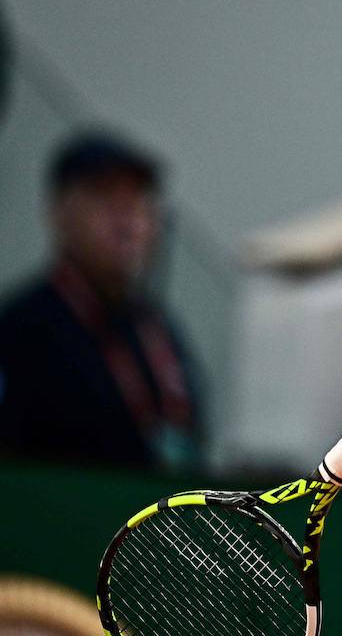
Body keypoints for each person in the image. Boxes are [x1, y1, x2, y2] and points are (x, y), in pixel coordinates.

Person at [0, 132, 200, 470]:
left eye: (138, 201)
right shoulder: (25, 328)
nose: (127, 221)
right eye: (105, 199)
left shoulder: (157, 327)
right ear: (59, 214)